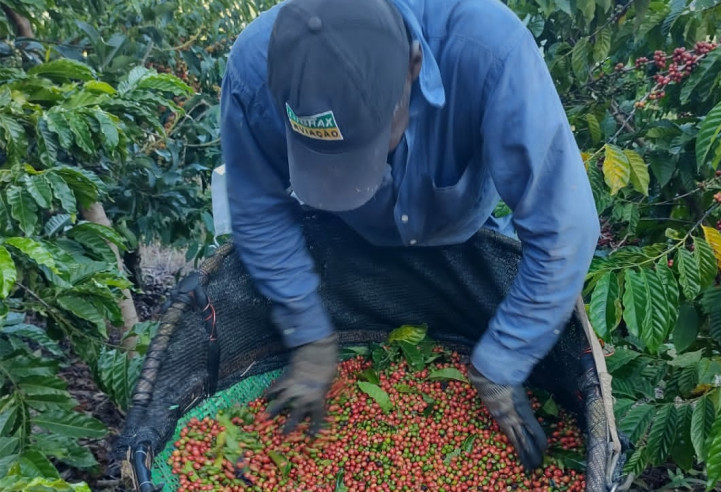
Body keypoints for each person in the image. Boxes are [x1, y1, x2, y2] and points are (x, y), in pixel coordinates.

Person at [219, 0, 600, 473]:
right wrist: (309, 335)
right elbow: (259, 212)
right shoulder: (255, 67)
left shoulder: (488, 48)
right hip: (347, 241)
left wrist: (504, 358)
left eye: (368, 145)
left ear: (413, 66)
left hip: (465, 231)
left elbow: (564, 227)